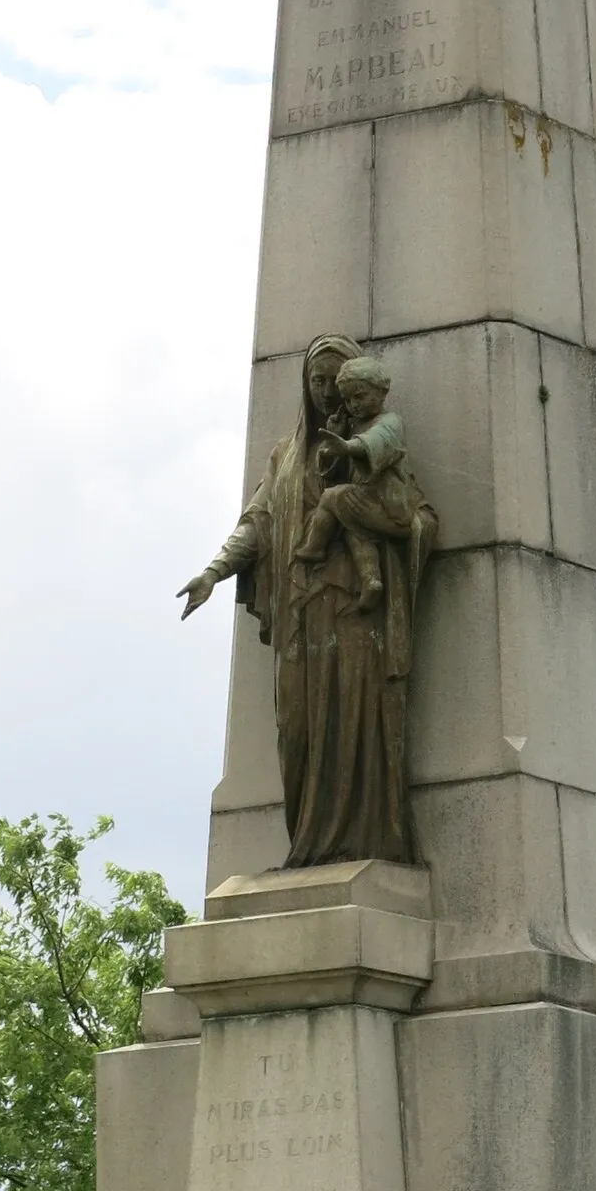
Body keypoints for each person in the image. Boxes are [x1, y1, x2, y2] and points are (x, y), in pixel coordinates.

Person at [177, 335, 434, 866]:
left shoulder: (372, 447)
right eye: (316, 381)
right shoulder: (287, 458)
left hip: (355, 617)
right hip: (301, 617)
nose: (325, 393)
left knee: (354, 727)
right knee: (297, 732)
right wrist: (213, 572)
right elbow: (257, 523)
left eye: (333, 381)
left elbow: (413, 513)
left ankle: (363, 843)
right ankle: (309, 846)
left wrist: (393, 529)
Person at [290, 354, 408, 612]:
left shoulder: (389, 422)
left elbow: (376, 442)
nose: (353, 405)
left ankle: (314, 547)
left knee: (331, 498)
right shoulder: (355, 425)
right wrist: (338, 437)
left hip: (387, 504)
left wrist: (347, 445)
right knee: (354, 533)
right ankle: (371, 580)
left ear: (381, 392)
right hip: (367, 500)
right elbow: (333, 470)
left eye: (360, 397)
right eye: (348, 399)